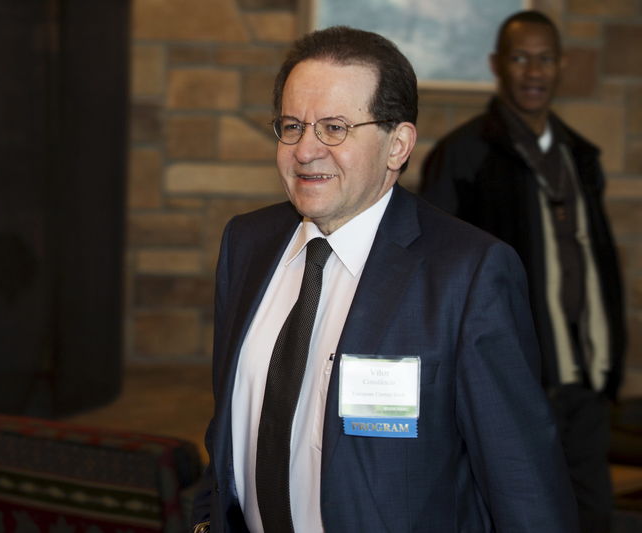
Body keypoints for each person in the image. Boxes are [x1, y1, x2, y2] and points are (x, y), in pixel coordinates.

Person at [191, 25, 577, 533]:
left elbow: (522, 485)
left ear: (398, 145)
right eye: (292, 126)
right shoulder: (246, 245)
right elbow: (229, 430)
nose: (306, 150)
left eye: (334, 127)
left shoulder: (468, 275)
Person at [420, 10, 626, 533]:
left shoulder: (581, 156)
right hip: (509, 386)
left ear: (561, 66)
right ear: (497, 65)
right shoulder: (462, 156)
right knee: (518, 517)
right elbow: (433, 276)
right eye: (520, 58)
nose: (534, 71)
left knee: (591, 515)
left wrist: (609, 368)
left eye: (545, 59)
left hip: (584, 382)